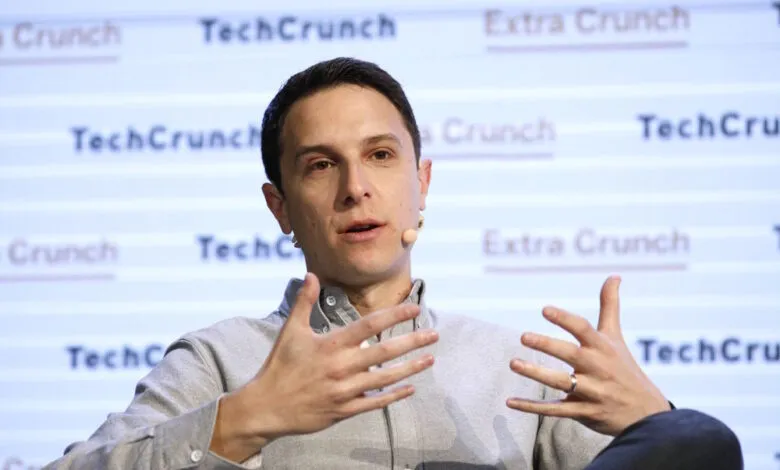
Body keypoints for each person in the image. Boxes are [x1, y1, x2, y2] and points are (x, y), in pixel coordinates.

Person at [43, 57, 742, 470]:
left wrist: (658, 422)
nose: (356, 188)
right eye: (321, 166)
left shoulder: (518, 368)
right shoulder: (220, 362)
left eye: (381, 155)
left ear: (423, 180)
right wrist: (239, 421)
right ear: (280, 208)